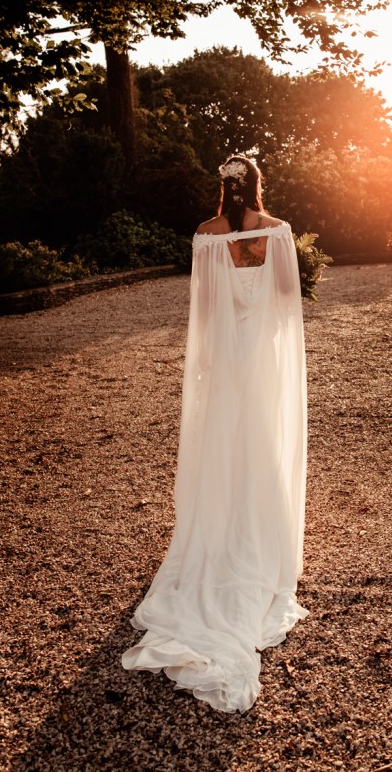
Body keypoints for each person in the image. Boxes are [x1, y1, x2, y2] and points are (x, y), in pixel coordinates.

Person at [121, 155, 307, 713]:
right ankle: (259, 536)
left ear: (222, 189)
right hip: (259, 359)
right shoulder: (276, 233)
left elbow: (202, 308)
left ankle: (218, 534)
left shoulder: (205, 236)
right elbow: (283, 299)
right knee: (259, 441)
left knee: (222, 442)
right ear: (257, 186)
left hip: (224, 360)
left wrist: (207, 357)